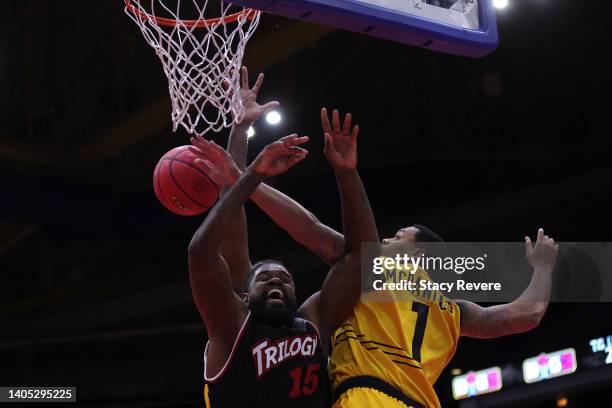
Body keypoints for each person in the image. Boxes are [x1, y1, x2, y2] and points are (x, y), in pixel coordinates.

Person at [198, 100, 560, 407]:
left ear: (419, 255)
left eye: (397, 237)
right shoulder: (455, 310)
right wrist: (543, 268)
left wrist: (248, 179)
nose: (384, 241)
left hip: (368, 396)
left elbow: (307, 228)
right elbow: (527, 314)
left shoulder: (380, 269)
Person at [187, 68, 379, 407]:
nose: (277, 281)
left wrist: (347, 174)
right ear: (244, 295)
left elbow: (364, 260)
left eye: (285, 279)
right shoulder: (231, 328)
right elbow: (204, 251)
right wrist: (245, 144)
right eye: (265, 278)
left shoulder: (312, 321)